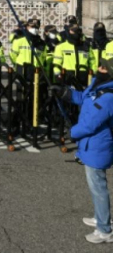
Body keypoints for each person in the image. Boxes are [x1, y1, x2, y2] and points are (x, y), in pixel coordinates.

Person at [51, 58, 113, 243]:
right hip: (90, 145)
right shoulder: (97, 85)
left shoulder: (109, 96)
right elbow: (82, 97)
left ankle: (104, 230)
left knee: (98, 187)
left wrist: (72, 133)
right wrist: (64, 93)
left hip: (98, 146)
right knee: (95, 187)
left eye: (104, 67)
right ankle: (99, 217)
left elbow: (90, 124)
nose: (99, 68)